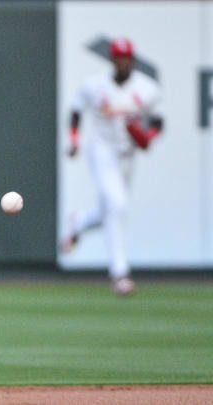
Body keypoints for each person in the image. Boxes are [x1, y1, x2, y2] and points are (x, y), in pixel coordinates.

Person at [60, 37, 163, 296]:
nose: (122, 62)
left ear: (133, 60)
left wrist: (148, 137)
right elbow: (75, 110)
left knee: (110, 210)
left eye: (126, 57)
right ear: (111, 59)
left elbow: (157, 122)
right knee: (118, 205)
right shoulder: (95, 86)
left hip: (127, 155)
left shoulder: (147, 88)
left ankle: (80, 221)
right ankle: (120, 273)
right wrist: (74, 140)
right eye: (118, 57)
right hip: (102, 151)